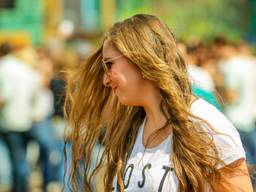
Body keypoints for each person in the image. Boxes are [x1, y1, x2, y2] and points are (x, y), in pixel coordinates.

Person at [64, 14, 253, 192]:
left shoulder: (205, 123)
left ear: (140, 58)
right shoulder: (132, 125)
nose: (105, 79)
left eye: (109, 64)